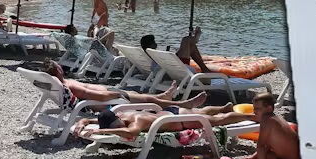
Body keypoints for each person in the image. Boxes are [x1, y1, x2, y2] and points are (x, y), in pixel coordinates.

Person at [42, 60, 206, 108]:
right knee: (148, 100)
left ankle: (164, 96)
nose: (60, 66)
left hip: (108, 94)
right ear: (58, 70)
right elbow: (93, 95)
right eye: (58, 66)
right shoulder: (70, 85)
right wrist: (115, 93)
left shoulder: (64, 83)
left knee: (140, 96)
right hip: (108, 100)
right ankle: (182, 104)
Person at [73, 103, 255, 141]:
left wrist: (101, 132)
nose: (118, 128)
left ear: (118, 119)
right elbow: (89, 119)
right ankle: (223, 106)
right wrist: (82, 123)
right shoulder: (119, 115)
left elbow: (131, 133)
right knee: (201, 111)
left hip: (181, 121)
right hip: (172, 112)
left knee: (218, 120)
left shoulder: (136, 120)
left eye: (116, 126)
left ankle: (252, 117)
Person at [242, 92, 303, 159]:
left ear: (269, 108)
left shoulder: (267, 119)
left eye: (258, 109)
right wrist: (252, 157)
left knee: (264, 156)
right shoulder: (276, 118)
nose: (255, 111)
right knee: (262, 154)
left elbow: (261, 145)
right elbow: (267, 145)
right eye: (254, 108)